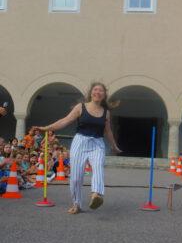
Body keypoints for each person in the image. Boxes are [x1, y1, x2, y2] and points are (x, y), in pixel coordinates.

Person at [34, 82, 121, 214]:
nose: (98, 92)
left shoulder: (106, 113)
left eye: (101, 91)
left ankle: (96, 194)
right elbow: (65, 120)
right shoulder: (80, 107)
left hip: (97, 144)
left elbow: (108, 131)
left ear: (104, 95)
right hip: (80, 142)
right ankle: (77, 204)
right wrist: (46, 128)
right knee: (76, 177)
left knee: (98, 168)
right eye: (95, 90)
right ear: (91, 93)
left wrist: (114, 146)